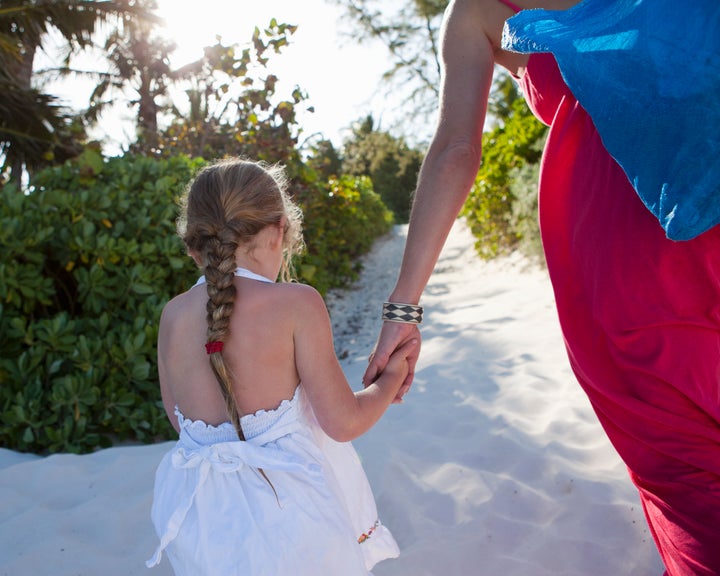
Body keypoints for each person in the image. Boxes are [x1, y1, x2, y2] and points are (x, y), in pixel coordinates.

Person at [363, 1, 720, 575]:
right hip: (705, 182)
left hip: (614, 244)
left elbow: (457, 150)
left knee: (687, 473)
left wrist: (403, 309)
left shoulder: (476, 10)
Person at [146, 157, 417, 575]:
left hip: (201, 520)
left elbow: (181, 423)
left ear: (192, 247)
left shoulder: (172, 316)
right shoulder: (297, 304)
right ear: (280, 230)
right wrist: (392, 377)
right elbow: (343, 423)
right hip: (291, 518)